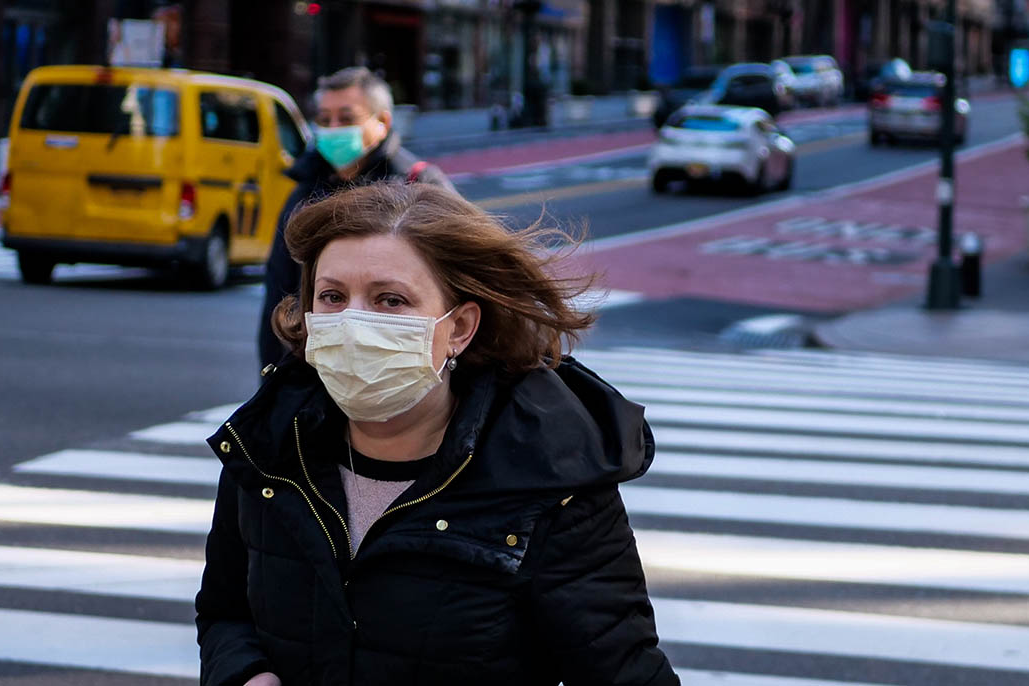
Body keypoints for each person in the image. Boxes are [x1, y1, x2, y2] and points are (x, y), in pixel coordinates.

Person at [199, 181, 681, 686]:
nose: (353, 323)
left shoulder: (551, 481)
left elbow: (625, 672)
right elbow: (225, 613)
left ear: (459, 328)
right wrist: (245, 674)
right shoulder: (268, 449)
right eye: (332, 296)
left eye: (390, 300)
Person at [258, 66, 454, 372]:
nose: (333, 129)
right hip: (318, 372)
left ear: (383, 121)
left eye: (346, 119)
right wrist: (275, 386)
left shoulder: (419, 186)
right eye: (324, 120)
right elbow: (279, 293)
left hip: (400, 370)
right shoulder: (304, 194)